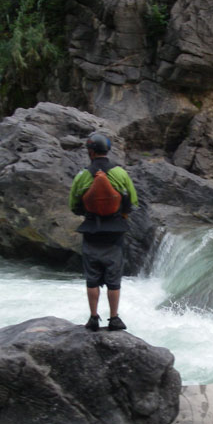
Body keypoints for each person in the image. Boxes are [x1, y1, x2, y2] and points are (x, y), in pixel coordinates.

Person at [69, 132, 138, 332]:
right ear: (107, 150)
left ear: (90, 152)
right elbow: (132, 202)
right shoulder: (120, 174)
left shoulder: (82, 176)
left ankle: (93, 318)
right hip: (115, 232)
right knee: (113, 278)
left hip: (91, 230)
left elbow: (74, 206)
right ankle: (114, 318)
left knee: (92, 277)